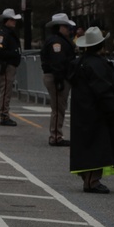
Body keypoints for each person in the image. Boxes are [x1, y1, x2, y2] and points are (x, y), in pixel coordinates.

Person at [68, 27, 114, 193]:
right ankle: (92, 180)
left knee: (87, 146)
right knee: (97, 147)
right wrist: (113, 110)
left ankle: (89, 179)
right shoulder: (97, 64)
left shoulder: (81, 62)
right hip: (96, 113)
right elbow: (103, 90)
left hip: (84, 112)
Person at [41, 13, 77, 146]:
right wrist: (60, 79)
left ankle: (56, 134)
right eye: (66, 26)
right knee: (58, 108)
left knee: (59, 107)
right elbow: (58, 62)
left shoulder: (58, 40)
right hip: (57, 77)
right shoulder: (57, 42)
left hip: (58, 76)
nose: (69, 29)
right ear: (59, 27)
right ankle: (55, 136)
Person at [0, 8, 23, 126]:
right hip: (6, 66)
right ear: (6, 21)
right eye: (12, 20)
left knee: (7, 90)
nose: (14, 22)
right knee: (6, 90)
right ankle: (4, 115)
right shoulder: (4, 34)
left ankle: (5, 113)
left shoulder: (8, 33)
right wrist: (14, 54)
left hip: (10, 65)